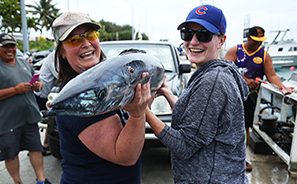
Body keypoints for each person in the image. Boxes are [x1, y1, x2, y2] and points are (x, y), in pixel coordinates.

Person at [145, 4, 249, 184]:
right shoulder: (215, 72)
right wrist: (169, 94)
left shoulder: (213, 81)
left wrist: (141, 111)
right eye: (187, 33)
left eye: (203, 35)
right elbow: (198, 121)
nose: (193, 41)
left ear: (221, 41)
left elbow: (185, 145)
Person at [52, 11, 151, 184]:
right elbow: (125, 156)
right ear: (62, 53)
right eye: (74, 40)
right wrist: (137, 114)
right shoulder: (82, 97)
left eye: (90, 35)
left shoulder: (109, 81)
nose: (85, 43)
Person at [224, 26, 294, 172]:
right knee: (227, 124)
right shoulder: (235, 50)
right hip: (231, 95)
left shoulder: (264, 55)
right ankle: (225, 155)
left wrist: (282, 87)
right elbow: (226, 69)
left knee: (245, 126)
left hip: (250, 97)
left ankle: (241, 158)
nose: (258, 44)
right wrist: (244, 80)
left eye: (260, 41)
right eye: (255, 40)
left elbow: (272, 75)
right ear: (248, 38)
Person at [0, 33, 52, 184]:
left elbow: (39, 81)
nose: (10, 49)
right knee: (11, 154)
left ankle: (41, 180)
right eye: (5, 46)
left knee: (35, 148)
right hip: (7, 121)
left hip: (29, 117)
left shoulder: (23, 63)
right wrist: (15, 90)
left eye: (12, 46)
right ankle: (18, 182)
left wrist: (38, 85)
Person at [34, 51, 58, 156]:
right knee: (49, 119)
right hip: (42, 94)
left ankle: (45, 145)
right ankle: (41, 146)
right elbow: (59, 74)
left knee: (50, 119)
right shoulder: (55, 56)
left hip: (47, 92)